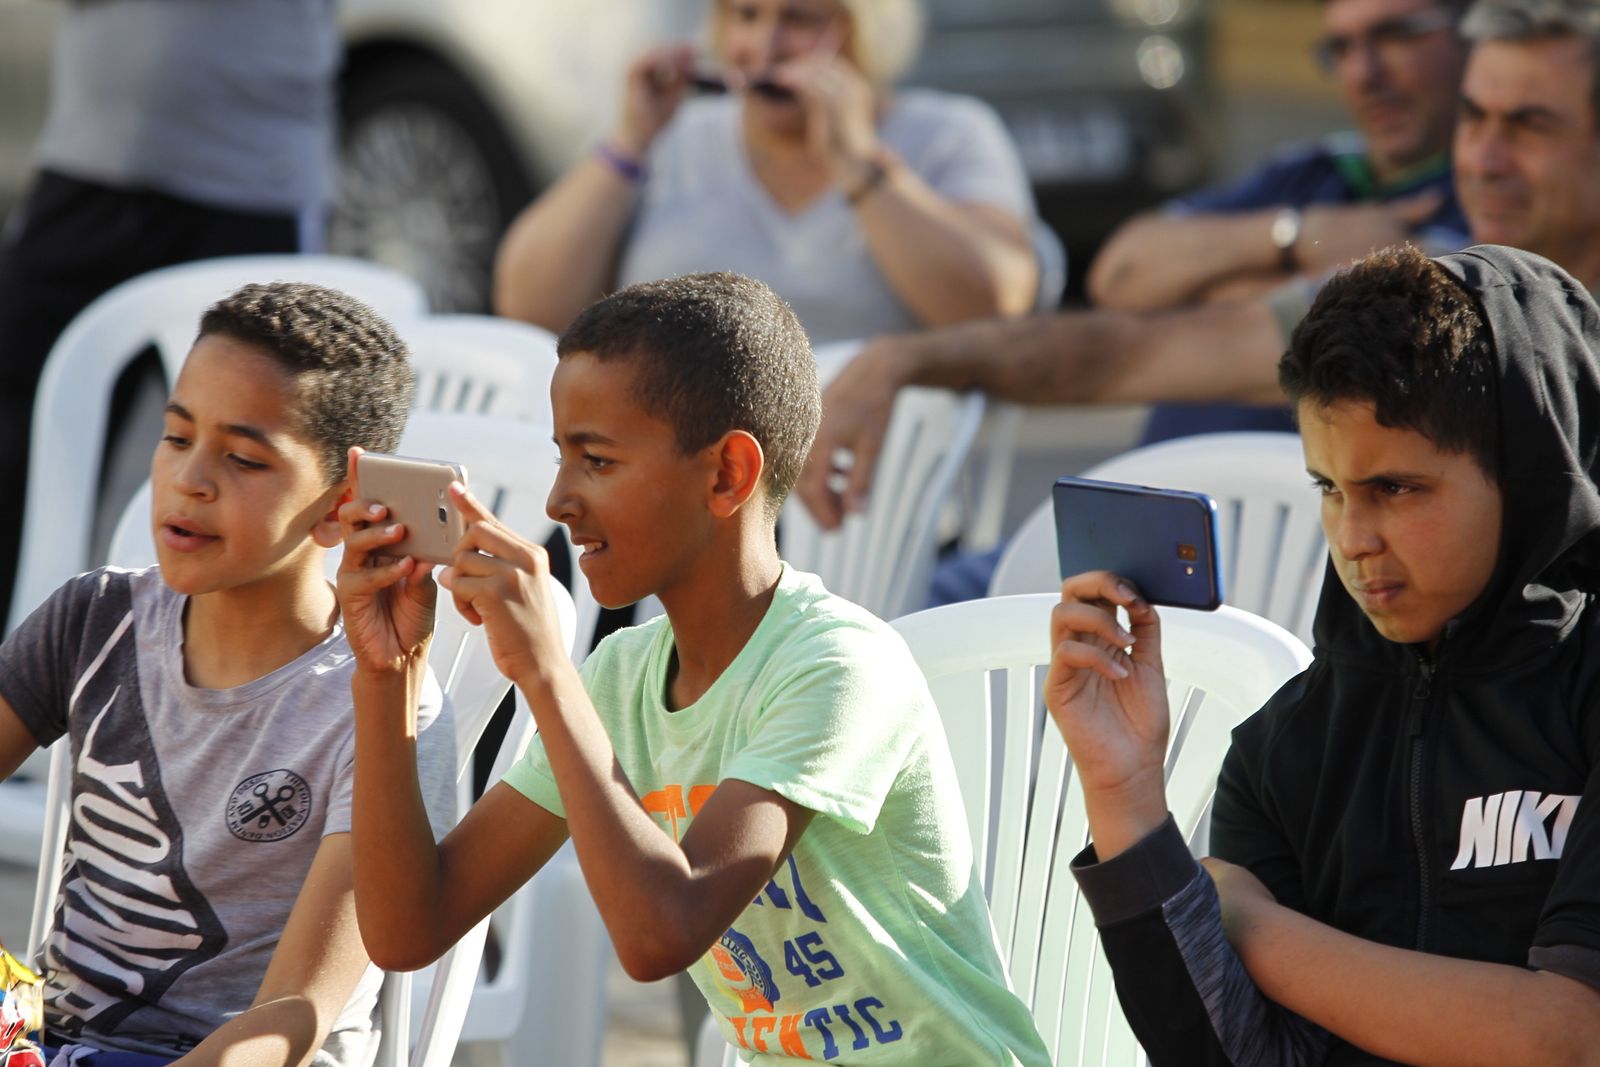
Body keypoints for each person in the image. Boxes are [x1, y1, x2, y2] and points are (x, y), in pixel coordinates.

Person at [341, 272, 1051, 1064]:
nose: (559, 500)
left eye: (597, 461)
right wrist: (389, 674)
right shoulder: (623, 676)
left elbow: (661, 933)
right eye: (561, 458)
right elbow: (410, 929)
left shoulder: (839, 666)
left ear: (726, 476)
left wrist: (546, 674)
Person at [796, 0, 1600, 571]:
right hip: (1163, 578)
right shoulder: (1439, 292)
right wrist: (907, 358)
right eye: (1475, 119)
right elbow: (1126, 345)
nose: (1484, 158)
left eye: (1529, 126)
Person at [1049, 240, 1600, 1066]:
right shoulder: (1288, 746)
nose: (1354, 537)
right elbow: (1238, 1054)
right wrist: (1127, 803)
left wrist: (1244, 919)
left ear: (1526, 479)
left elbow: (1563, 1035)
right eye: (1329, 488)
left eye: (1398, 488)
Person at [0, 283, 454, 1067]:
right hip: (45, 1039)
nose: (191, 478)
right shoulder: (95, 617)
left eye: (244, 458)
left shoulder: (382, 706)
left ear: (342, 503)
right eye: (176, 437)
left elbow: (295, 1015)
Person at [0, 0, 340, 630]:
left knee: (257, 446)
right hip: (90, 162)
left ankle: (219, 693)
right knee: (19, 440)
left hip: (256, 180)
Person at [492, 0, 1041, 346]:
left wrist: (859, 164)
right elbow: (529, 307)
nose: (766, 48)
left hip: (877, 500)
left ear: (866, 26)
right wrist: (629, 140)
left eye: (799, 18)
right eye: (746, 14)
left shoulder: (948, 133)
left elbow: (995, 304)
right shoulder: (672, 139)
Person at [1088, 0, 1470, 442]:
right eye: (1340, 48)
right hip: (1159, 492)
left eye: (1397, 36)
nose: (1365, 75)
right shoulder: (1307, 171)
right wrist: (1297, 236)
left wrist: (1202, 290)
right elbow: (1119, 276)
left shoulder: (1491, 194)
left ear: (1473, 35)